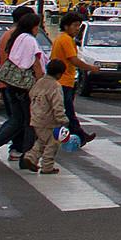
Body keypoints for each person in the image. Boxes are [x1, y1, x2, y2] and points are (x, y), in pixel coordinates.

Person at [0, 10, 46, 165]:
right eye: (37, 27)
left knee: (17, 120)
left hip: (11, 84)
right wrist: (41, 85)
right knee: (30, 122)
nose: (38, 30)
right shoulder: (30, 40)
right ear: (32, 27)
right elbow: (36, 63)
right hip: (25, 87)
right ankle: (28, 156)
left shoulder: (15, 37)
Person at [48, 12, 100, 148]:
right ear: (66, 26)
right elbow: (73, 59)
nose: (77, 29)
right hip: (64, 81)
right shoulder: (66, 40)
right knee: (68, 112)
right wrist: (90, 68)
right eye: (75, 25)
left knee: (64, 111)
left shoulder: (62, 39)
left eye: (79, 26)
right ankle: (80, 136)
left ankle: (73, 135)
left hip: (64, 80)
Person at [22, 59, 69, 173]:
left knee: (42, 141)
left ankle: (31, 157)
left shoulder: (39, 82)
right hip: (49, 121)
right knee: (52, 144)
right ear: (59, 74)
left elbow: (31, 95)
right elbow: (57, 105)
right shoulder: (55, 86)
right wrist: (62, 119)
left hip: (36, 118)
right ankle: (47, 167)